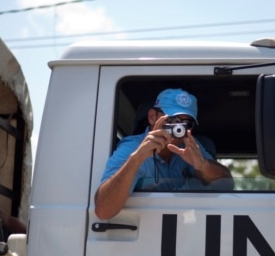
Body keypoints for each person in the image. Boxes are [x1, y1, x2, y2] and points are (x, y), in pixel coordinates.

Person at [95, 88, 233, 220]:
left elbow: (227, 185)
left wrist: (202, 165)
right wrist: (137, 159)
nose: (178, 129)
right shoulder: (131, 148)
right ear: (152, 117)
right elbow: (103, 211)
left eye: (187, 124)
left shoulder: (190, 144)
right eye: (173, 120)